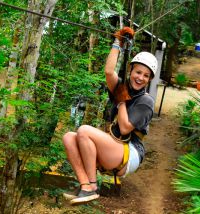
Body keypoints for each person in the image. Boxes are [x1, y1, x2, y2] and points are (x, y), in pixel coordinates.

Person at [62, 27, 158, 204]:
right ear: (130, 71)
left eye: (146, 76)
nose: (140, 78)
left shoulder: (146, 101)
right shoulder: (121, 87)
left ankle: (92, 186)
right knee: (69, 137)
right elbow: (108, 71)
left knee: (84, 130)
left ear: (149, 80)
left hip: (130, 152)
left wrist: (121, 101)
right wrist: (118, 43)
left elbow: (124, 128)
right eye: (138, 72)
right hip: (114, 147)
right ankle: (85, 185)